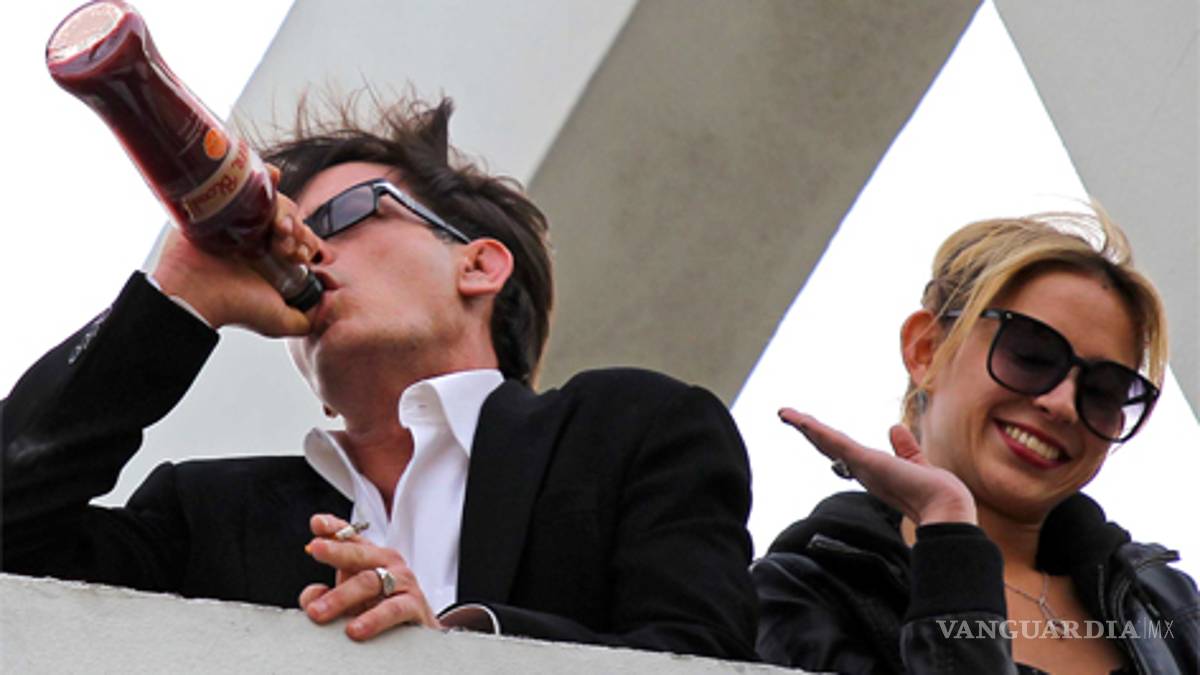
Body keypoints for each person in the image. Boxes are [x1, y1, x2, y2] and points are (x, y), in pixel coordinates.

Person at [1, 95, 757, 659]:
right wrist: (178, 298)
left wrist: (458, 647)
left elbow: (702, 656)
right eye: (275, 249)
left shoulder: (629, 430)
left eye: (339, 217)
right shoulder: (209, 512)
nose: (303, 254)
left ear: (479, 264)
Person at [753, 210, 1199, 673]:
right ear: (926, 350)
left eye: (1104, 391)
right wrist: (950, 536)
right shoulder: (806, 598)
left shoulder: (1167, 607)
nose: (1063, 404)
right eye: (1030, 355)